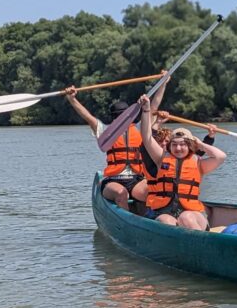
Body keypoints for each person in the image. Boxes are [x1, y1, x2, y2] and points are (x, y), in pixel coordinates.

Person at [63, 77, 169, 210]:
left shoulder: (139, 128)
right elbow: (87, 117)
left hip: (137, 178)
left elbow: (153, 107)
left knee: (156, 189)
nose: (121, 120)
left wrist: (162, 84)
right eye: (118, 117)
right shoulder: (105, 132)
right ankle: (127, 223)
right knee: (121, 193)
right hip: (113, 180)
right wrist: (72, 99)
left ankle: (152, 218)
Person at [138, 95, 226, 229]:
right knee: (167, 221)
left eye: (183, 144)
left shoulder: (199, 163)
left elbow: (221, 157)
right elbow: (147, 137)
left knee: (186, 218)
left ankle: (203, 246)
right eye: (174, 144)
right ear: (170, 146)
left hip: (193, 214)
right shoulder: (161, 158)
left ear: (190, 145)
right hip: (164, 211)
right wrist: (146, 110)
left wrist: (201, 144)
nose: (178, 148)